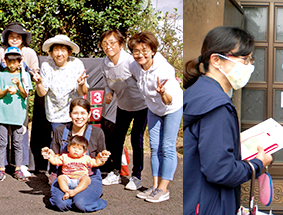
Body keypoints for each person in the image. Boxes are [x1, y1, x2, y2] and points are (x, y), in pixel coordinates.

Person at [179, 26, 273, 214]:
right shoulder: (217, 105)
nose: (249, 66)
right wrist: (258, 164)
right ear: (216, 60)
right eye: (244, 59)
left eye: (250, 60)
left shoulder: (197, 92)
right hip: (209, 204)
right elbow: (220, 171)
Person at [127, 31, 183, 203]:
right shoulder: (134, 67)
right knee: (154, 147)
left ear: (152, 50)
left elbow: (168, 101)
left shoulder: (164, 69)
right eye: (136, 51)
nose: (140, 54)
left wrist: (162, 92)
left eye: (144, 50)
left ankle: (163, 189)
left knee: (167, 147)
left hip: (171, 107)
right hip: (153, 108)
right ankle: (154, 186)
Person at [95, 29, 148, 190]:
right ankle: (115, 173)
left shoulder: (131, 61)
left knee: (136, 139)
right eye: (104, 43)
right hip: (123, 106)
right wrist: (109, 93)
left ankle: (136, 176)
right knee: (117, 139)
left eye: (112, 42)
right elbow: (107, 83)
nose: (108, 46)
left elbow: (144, 80)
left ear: (121, 44)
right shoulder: (105, 63)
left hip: (142, 106)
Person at [0, 22, 40, 177]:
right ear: (6, 37)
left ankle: (20, 165)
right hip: (1, 99)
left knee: (20, 131)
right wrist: (1, 68)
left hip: (19, 101)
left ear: (23, 39)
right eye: (11, 36)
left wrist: (29, 74)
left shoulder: (29, 53)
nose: (15, 39)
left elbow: (34, 73)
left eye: (18, 36)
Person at [47, 98, 108, 212]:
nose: (79, 117)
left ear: (89, 114)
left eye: (83, 113)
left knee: (81, 204)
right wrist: (49, 155)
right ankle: (76, 197)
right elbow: (55, 156)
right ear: (70, 114)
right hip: (65, 176)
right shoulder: (60, 130)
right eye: (75, 113)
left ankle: (87, 197)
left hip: (89, 177)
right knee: (60, 204)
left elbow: (99, 161)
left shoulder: (97, 132)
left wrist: (103, 158)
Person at [34, 34, 89, 153]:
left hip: (74, 112)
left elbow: (82, 92)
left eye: (63, 50)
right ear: (51, 52)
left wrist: (81, 84)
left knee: (77, 142)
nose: (59, 54)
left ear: (69, 52)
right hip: (55, 114)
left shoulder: (76, 64)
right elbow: (42, 93)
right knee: (60, 142)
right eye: (56, 50)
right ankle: (57, 169)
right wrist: (39, 83)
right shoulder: (46, 65)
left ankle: (76, 169)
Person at [0, 47, 33, 182]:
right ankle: (1, 168)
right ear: (5, 61)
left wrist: (19, 85)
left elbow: (25, 94)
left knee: (17, 143)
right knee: (2, 142)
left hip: (18, 114)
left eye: (15, 61)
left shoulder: (24, 75)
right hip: (3, 114)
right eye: (10, 60)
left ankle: (18, 168)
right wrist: (6, 91)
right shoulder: (1, 75)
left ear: (20, 61)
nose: (12, 64)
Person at [42, 136, 111, 200]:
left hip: (80, 179)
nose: (76, 150)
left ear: (84, 152)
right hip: (67, 178)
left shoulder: (86, 158)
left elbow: (95, 163)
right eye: (73, 147)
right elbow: (55, 161)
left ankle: (75, 191)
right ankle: (67, 191)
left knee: (86, 179)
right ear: (68, 148)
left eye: (79, 149)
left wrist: (101, 158)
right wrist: (49, 156)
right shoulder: (64, 156)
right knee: (60, 178)